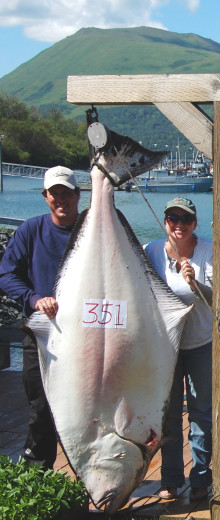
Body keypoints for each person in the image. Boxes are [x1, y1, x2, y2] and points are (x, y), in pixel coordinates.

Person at [0, 166, 81, 469]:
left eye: (66, 193)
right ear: (45, 196)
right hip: (41, 335)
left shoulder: (93, 231)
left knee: (84, 410)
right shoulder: (30, 230)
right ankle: (38, 477)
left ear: (78, 194)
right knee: (39, 408)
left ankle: (91, 481)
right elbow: (6, 274)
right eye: (54, 193)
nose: (61, 199)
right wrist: (34, 299)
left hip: (84, 336)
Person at [144, 197, 213, 502]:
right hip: (165, 347)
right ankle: (170, 478)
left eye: (186, 220)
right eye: (173, 219)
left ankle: (200, 476)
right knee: (168, 415)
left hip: (201, 343)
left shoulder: (209, 251)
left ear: (195, 224)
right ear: (165, 222)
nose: (179, 225)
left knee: (201, 413)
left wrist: (198, 285)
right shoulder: (151, 251)